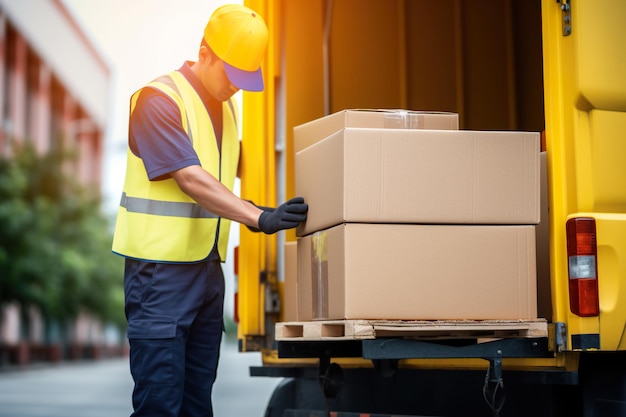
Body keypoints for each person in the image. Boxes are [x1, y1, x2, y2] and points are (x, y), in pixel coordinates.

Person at [111, 4, 308, 416]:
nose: (235, 87)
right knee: (160, 405)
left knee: (197, 405)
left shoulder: (227, 109)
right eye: (231, 75)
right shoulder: (158, 100)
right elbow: (191, 178)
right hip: (159, 275)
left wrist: (271, 205)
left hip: (205, 273)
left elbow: (229, 178)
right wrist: (258, 218)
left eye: (243, 79)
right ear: (204, 53)